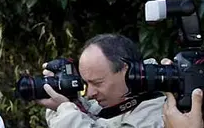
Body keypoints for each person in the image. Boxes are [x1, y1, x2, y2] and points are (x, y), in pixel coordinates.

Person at [37, 34, 166, 127]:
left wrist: (65, 111)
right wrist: (68, 99)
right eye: (87, 83)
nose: (90, 94)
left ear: (128, 72)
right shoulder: (109, 106)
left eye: (97, 83)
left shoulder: (159, 114)